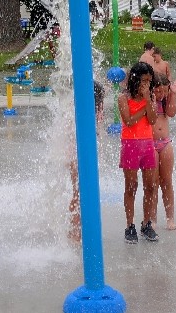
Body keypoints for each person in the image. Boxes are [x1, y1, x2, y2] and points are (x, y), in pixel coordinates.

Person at [118, 61, 159, 244]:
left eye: (149, 81)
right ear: (135, 80)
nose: (147, 84)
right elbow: (129, 121)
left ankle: (146, 223)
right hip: (130, 144)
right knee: (131, 186)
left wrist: (148, 99)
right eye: (144, 80)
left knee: (150, 186)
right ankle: (130, 225)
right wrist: (144, 106)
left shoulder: (150, 97)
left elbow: (151, 120)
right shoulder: (123, 98)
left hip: (148, 144)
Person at [69, 80, 105, 242]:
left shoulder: (82, 110)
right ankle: (75, 231)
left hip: (79, 153)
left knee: (80, 193)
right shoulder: (85, 113)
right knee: (79, 193)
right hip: (77, 154)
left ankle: (77, 229)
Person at [150, 73, 176, 230]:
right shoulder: (148, 100)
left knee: (167, 181)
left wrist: (173, 94)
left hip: (165, 143)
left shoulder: (166, 100)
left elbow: (171, 113)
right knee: (153, 183)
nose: (161, 94)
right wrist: (151, 98)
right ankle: (153, 218)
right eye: (158, 91)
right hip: (149, 144)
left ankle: (170, 218)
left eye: (164, 91)